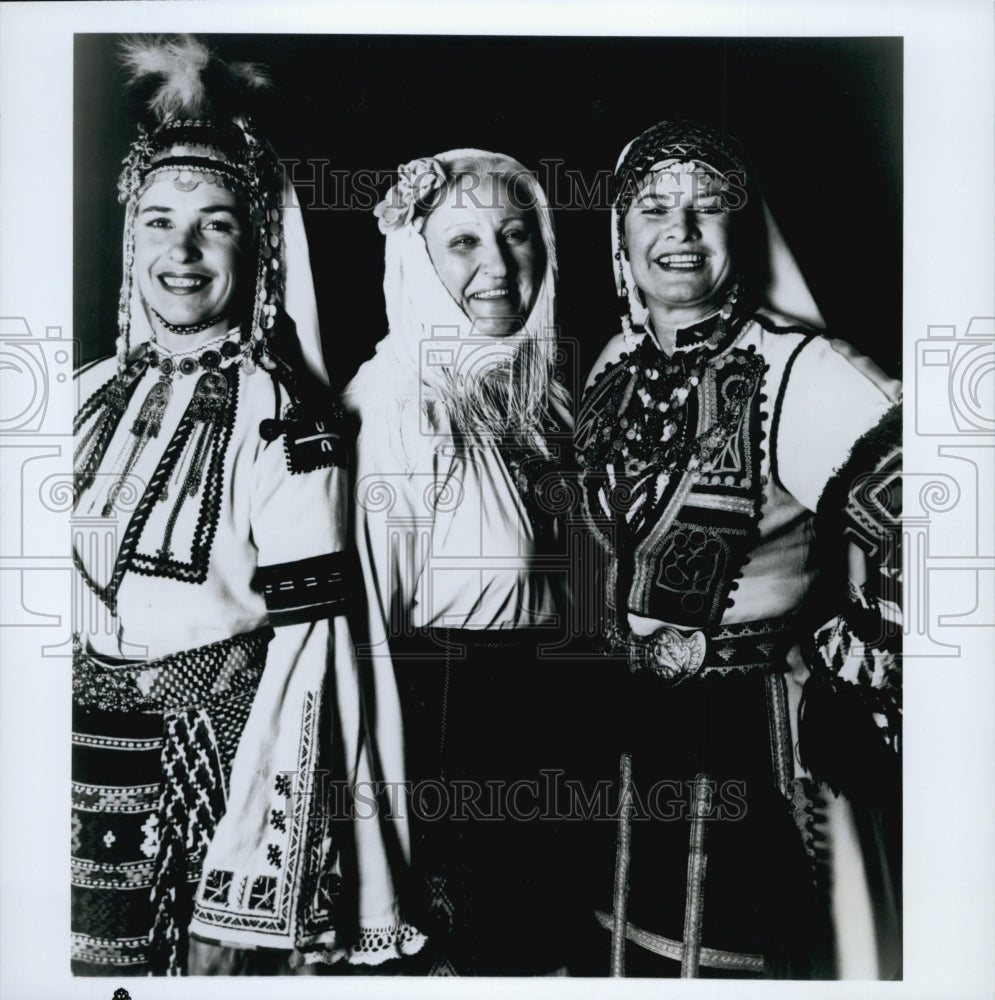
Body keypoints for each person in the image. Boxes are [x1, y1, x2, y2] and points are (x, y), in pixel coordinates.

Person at [71, 36, 421, 975]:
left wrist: (243, 884)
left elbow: (306, 662)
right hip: (72, 761)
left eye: (215, 223)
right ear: (128, 238)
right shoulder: (78, 398)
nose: (180, 252)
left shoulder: (290, 423)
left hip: (216, 771)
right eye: (156, 222)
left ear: (258, 248)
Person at [575, 119, 902, 979]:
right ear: (620, 233)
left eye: (707, 207)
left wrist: (853, 661)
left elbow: (938, 509)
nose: (678, 233)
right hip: (634, 738)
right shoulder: (614, 362)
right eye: (652, 208)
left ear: (743, 227)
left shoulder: (802, 371)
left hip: (761, 744)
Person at [345, 150, 589, 975]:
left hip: (538, 728)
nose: (499, 264)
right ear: (415, 256)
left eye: (516, 235)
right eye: (461, 243)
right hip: (450, 739)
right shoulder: (399, 403)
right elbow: (370, 634)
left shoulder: (532, 394)